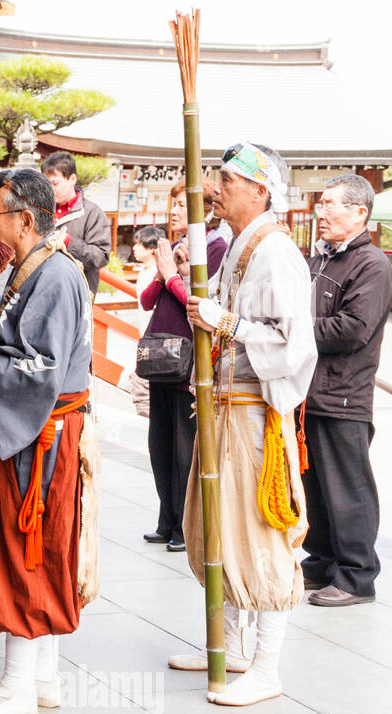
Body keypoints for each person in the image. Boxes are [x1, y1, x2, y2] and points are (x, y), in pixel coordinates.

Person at [177, 141, 317, 706]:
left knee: (260, 532)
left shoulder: (275, 251)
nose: (216, 187)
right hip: (227, 409)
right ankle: (231, 644)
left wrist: (226, 322)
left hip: (253, 413)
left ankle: (267, 663)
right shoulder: (243, 245)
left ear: (260, 190)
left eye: (227, 180)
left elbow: (294, 345)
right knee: (223, 529)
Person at [0, 167, 95, 714]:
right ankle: (38, 677)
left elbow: (36, 369)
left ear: (24, 220)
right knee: (35, 550)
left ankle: (19, 686)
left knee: (27, 549)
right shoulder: (29, 268)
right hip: (40, 429)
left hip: (39, 432)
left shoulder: (55, 276)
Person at [302, 173, 392, 608]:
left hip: (345, 395)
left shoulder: (372, 264)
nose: (322, 212)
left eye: (331, 204)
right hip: (312, 391)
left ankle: (357, 576)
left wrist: (293, 331)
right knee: (316, 486)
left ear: (360, 212)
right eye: (321, 203)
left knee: (348, 489)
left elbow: (353, 329)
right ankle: (320, 564)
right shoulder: (320, 259)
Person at [137, 180, 229, 553]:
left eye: (181, 205)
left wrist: (173, 275)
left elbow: (202, 305)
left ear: (204, 209)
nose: (175, 211)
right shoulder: (174, 246)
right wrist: (163, 271)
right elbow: (146, 300)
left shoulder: (217, 247)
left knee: (182, 447)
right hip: (161, 355)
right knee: (159, 443)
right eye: (173, 204)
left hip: (189, 355)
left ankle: (183, 525)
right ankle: (166, 518)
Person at [41, 151, 111, 297]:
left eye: (55, 183)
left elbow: (101, 257)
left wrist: (68, 242)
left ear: (72, 179)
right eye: (46, 183)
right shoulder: (39, 209)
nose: (50, 189)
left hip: (75, 294)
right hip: (41, 289)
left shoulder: (92, 213)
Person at [131, 225, 163, 316]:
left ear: (151, 248)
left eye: (138, 244)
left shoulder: (158, 272)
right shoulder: (143, 269)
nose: (134, 248)